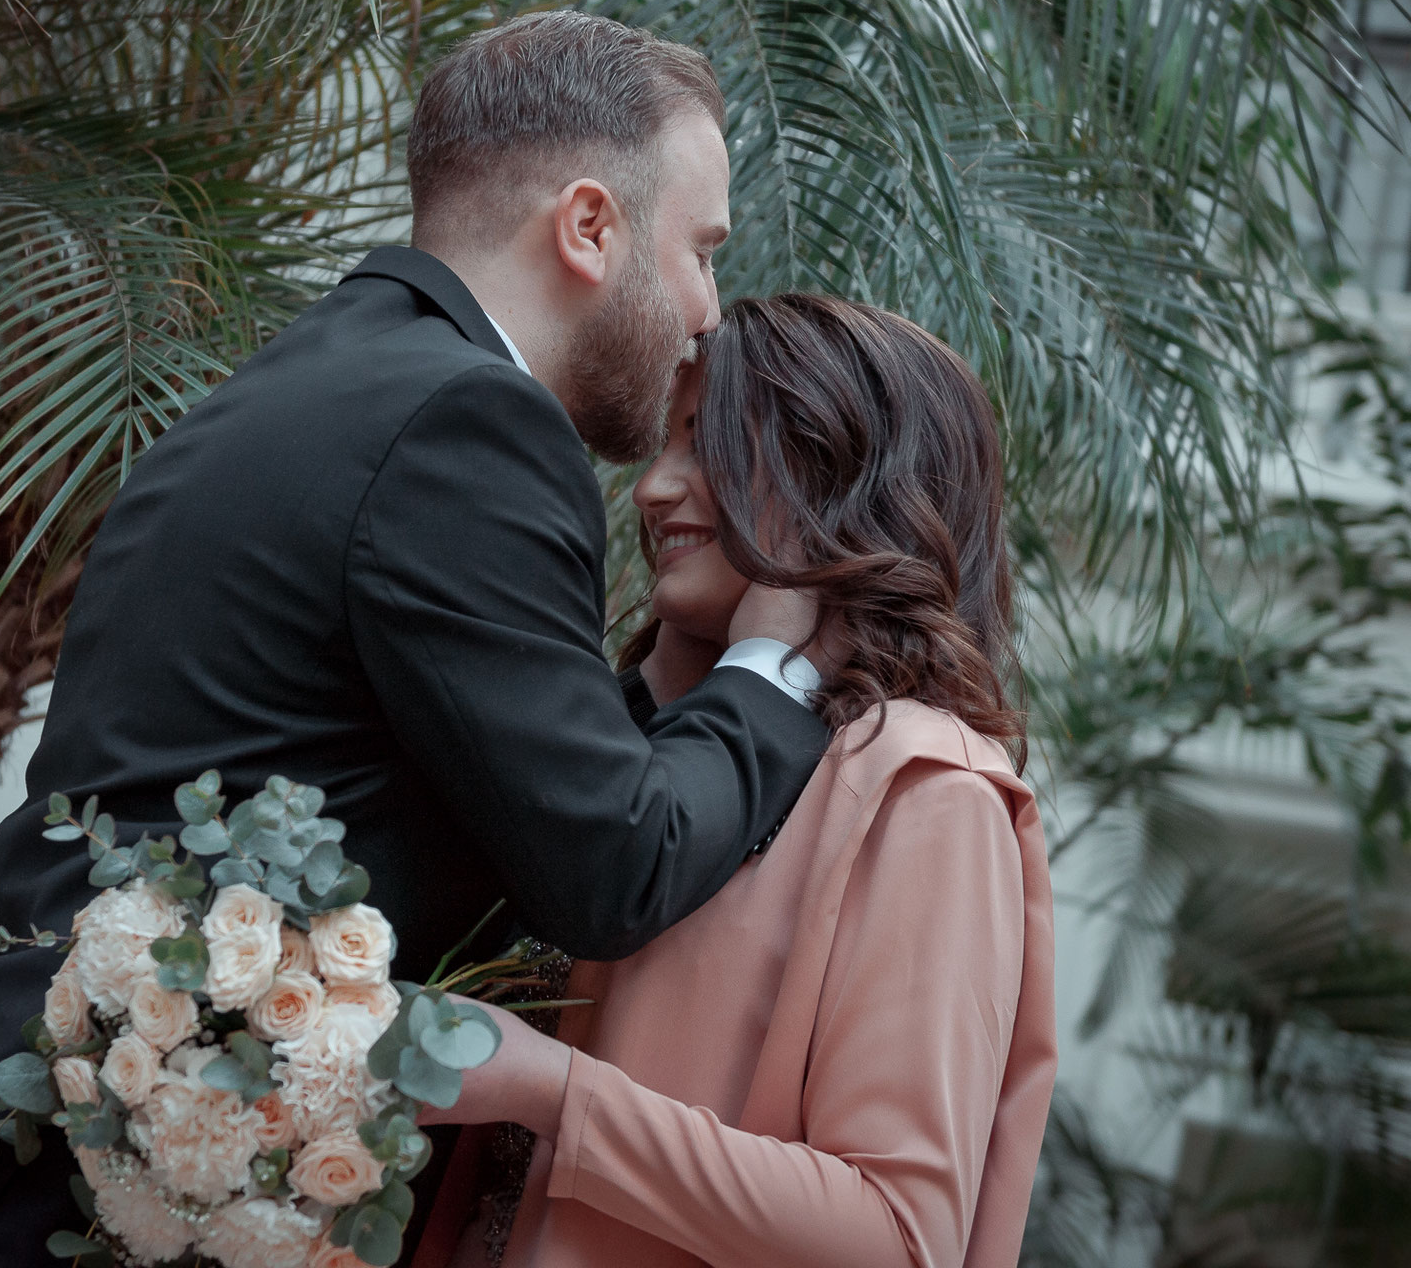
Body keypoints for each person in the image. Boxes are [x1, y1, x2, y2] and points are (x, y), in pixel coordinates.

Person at [0, 15, 833, 1267]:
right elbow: (609, 862)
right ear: (590, 227)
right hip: (45, 1214)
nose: (706, 314)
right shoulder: (470, 426)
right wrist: (776, 669)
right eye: (701, 251)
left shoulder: (294, 384)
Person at [415, 295, 1058, 1268]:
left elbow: (893, 1233)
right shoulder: (652, 745)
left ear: (835, 471)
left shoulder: (928, 790)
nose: (649, 489)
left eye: (703, 442)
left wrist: (549, 1089)